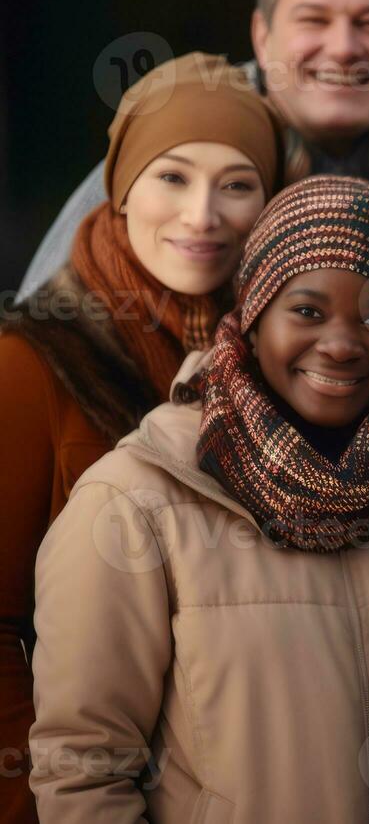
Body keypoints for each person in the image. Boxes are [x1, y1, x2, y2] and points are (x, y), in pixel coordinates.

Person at [27, 176, 369, 821]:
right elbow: (83, 772)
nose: (341, 342)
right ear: (250, 316)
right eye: (306, 309)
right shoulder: (133, 502)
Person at [0, 53, 281, 824]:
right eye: (172, 177)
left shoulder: (286, 370)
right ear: (122, 190)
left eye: (237, 184)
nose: (202, 215)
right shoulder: (32, 365)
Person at [19, 0, 369, 300]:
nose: (343, 48)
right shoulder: (172, 140)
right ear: (262, 37)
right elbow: (39, 341)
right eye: (314, 19)